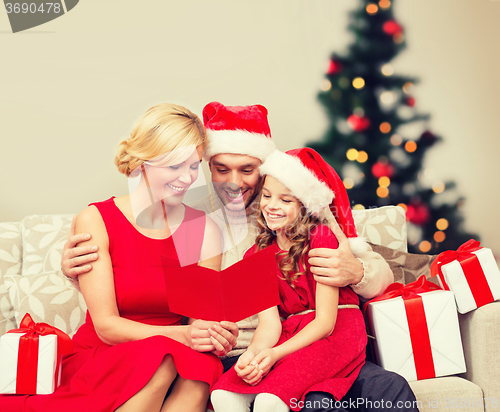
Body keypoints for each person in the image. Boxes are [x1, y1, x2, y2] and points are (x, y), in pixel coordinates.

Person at [61, 102, 419, 412]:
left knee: (388, 391)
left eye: (247, 170)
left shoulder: (299, 211)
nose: (234, 181)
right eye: (221, 169)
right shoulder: (192, 221)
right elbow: (166, 296)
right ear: (208, 166)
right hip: (243, 354)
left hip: (315, 344)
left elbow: (380, 276)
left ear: (265, 170)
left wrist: (356, 271)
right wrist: (81, 275)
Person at [1, 103, 236, 412]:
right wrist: (183, 335)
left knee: (200, 368)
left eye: (193, 166)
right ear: (143, 162)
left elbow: (197, 320)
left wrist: (214, 333)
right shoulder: (98, 218)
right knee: (164, 357)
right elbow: (107, 327)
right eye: (174, 166)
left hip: (177, 349)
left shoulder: (199, 229)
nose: (187, 178)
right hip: (111, 351)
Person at [211, 147, 367, 412]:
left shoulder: (322, 238)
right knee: (224, 395)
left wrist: (274, 355)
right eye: (267, 196)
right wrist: (253, 356)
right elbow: (269, 325)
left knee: (270, 400)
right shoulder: (255, 254)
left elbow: (325, 323)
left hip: (335, 334)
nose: (272, 206)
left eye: (286, 200)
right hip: (290, 334)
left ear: (304, 206)